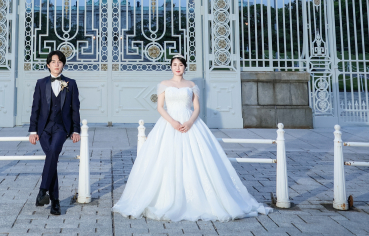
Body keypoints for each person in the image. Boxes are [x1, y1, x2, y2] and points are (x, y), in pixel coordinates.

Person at [112, 54, 272, 221]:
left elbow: (196, 108)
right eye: (174, 64)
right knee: (165, 160)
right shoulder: (164, 85)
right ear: (171, 67)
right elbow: (160, 108)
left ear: (185, 67)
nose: (178, 67)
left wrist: (189, 122)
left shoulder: (192, 85)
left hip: (190, 124)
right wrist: (173, 122)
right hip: (169, 124)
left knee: (198, 160)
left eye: (180, 65)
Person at [28, 50, 81, 215]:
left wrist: (75, 130)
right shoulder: (41, 83)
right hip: (44, 128)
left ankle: (43, 191)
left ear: (63, 64)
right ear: (48, 65)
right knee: (52, 157)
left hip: (60, 127)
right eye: (53, 61)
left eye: (59, 61)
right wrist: (33, 130)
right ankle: (55, 202)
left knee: (52, 153)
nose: (56, 64)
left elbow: (75, 109)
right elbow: (35, 108)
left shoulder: (70, 83)